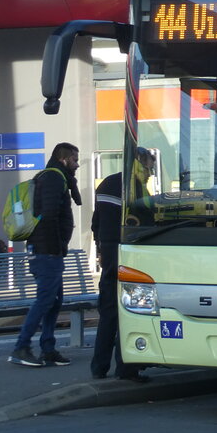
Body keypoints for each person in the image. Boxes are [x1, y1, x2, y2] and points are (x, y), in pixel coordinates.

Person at [8, 142, 82, 368]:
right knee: (45, 300)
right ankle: (21, 347)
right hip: (46, 250)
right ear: (63, 159)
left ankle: (48, 349)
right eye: (75, 160)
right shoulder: (53, 178)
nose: (77, 165)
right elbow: (49, 215)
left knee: (54, 300)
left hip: (50, 250)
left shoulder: (57, 177)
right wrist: (57, 244)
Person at [90, 147, 152, 381]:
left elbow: (96, 221)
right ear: (138, 163)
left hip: (108, 252)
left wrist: (101, 247)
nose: (150, 171)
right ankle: (126, 368)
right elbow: (144, 222)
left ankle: (98, 367)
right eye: (147, 166)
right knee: (129, 311)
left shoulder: (106, 183)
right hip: (128, 255)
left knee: (107, 312)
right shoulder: (134, 187)